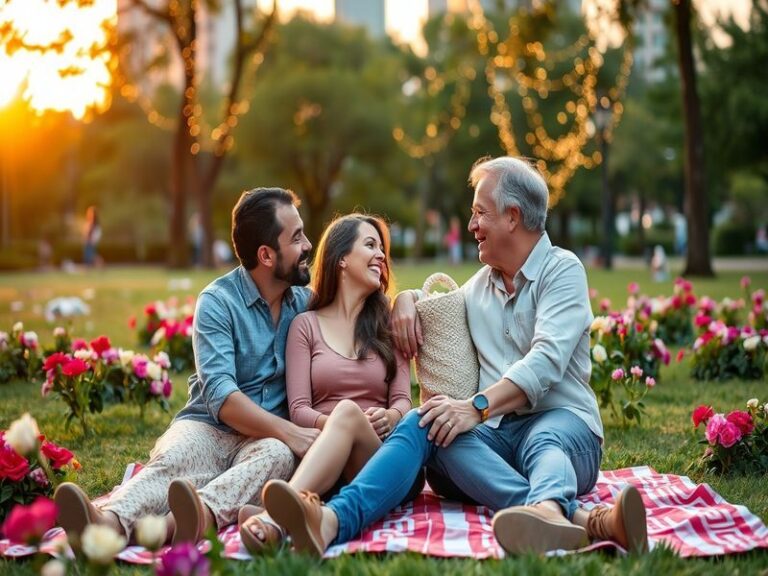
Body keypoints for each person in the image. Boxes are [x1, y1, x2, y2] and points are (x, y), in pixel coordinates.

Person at [261, 157, 648, 557]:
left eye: (480, 213)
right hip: (496, 440)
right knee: (425, 420)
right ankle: (332, 521)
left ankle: (551, 511)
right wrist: (407, 299)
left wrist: (476, 407)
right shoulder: (479, 287)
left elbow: (546, 362)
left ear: (513, 217)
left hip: (564, 428)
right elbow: (438, 302)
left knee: (544, 437)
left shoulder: (562, 270)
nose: (471, 225)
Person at [54, 188, 319, 550]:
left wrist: (406, 302)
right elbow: (222, 398)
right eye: (297, 237)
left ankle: (187, 521)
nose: (308, 245)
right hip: (207, 425)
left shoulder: (305, 303)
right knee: (179, 458)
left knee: (277, 458)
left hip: (264, 441)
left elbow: (365, 304)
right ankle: (106, 522)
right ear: (266, 255)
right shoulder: (219, 301)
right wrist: (292, 432)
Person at [238, 214, 417, 554]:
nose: (381, 255)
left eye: (382, 248)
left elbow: (403, 401)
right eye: (370, 245)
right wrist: (337, 425)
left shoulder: (388, 324)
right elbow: (299, 410)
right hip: (328, 462)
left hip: (383, 461)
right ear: (342, 259)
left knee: (348, 413)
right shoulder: (305, 326)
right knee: (347, 414)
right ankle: (293, 515)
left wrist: (392, 418)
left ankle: (273, 518)